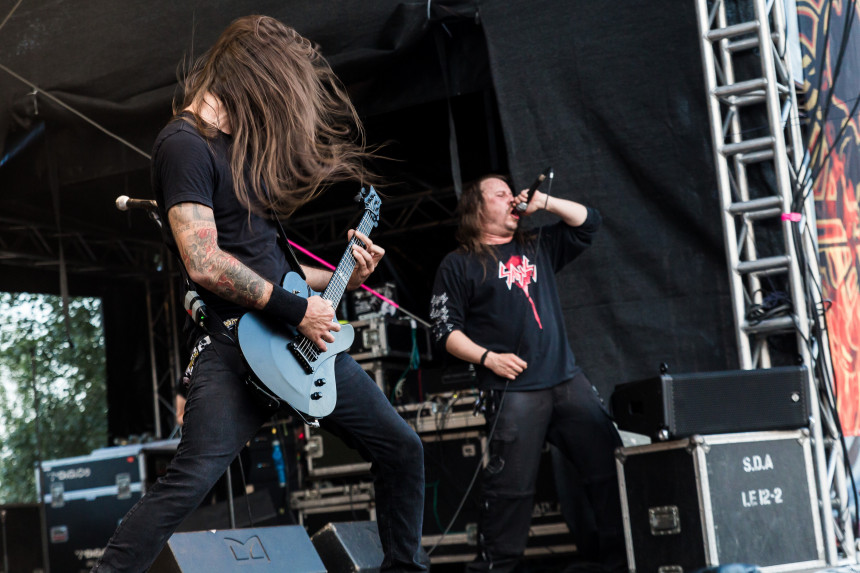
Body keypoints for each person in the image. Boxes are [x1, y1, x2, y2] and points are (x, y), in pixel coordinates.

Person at [93, 16, 427, 572]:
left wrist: (344, 277)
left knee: (402, 450)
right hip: (236, 346)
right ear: (248, 75)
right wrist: (300, 311)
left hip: (295, 339)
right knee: (188, 483)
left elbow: (269, 267)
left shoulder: (237, 150)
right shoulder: (183, 144)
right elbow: (204, 263)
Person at [429, 174, 625, 572]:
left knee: (608, 469)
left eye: (511, 192)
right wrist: (488, 358)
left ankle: (622, 561)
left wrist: (545, 202)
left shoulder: (537, 245)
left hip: (566, 380)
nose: (511, 198)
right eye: (500, 194)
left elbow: (589, 222)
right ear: (477, 209)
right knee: (510, 493)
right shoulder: (459, 263)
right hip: (512, 390)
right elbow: (445, 332)